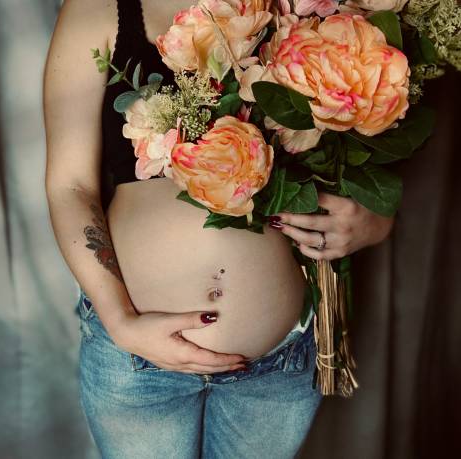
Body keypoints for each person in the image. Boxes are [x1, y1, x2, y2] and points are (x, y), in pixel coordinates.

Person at [42, 0, 394, 457]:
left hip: (278, 366)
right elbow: (69, 185)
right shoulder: (98, 9)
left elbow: (364, 156)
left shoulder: (312, 9)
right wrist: (121, 322)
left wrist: (376, 222)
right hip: (137, 359)